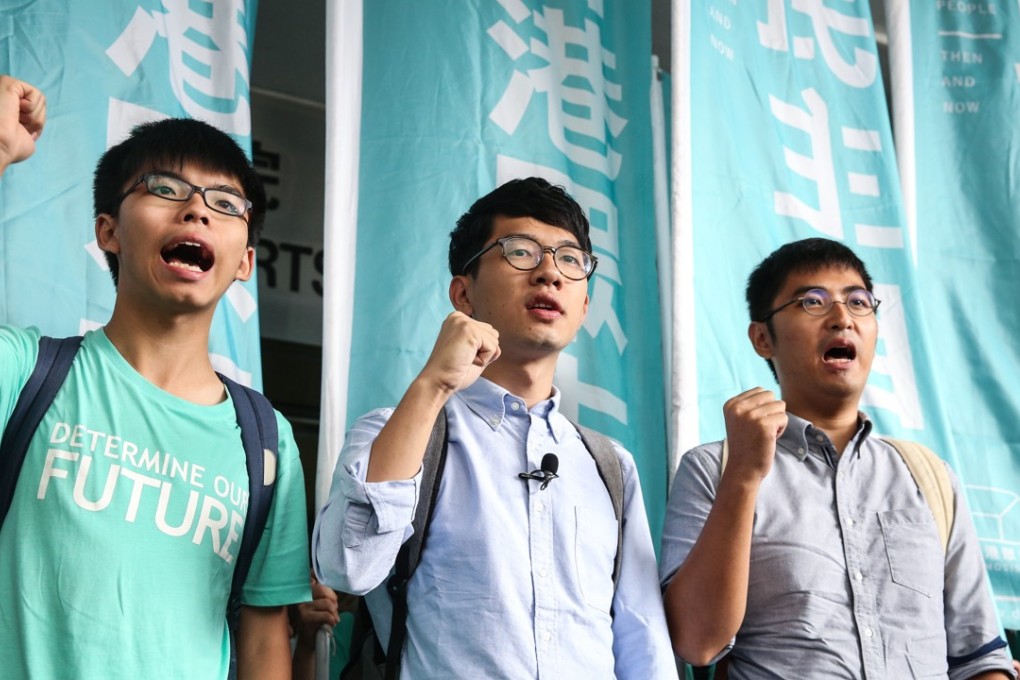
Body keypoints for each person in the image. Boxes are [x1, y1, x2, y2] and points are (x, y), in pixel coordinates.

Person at [0, 75, 311, 678]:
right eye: (164, 188)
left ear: (245, 261)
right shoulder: (26, 373)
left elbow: (263, 638)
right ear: (108, 230)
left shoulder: (266, 442)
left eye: (225, 203)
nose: (196, 208)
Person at [313, 177, 676, 678]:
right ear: (463, 293)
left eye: (570, 260)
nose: (550, 273)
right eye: (520, 252)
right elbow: (345, 566)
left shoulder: (609, 465)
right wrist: (432, 385)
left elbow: (642, 640)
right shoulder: (398, 431)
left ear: (585, 306)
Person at [660, 237, 1017, 679]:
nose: (842, 317)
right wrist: (743, 478)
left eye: (859, 302)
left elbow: (979, 658)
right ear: (762, 338)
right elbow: (696, 642)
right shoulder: (715, 468)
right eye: (812, 301)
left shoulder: (928, 477)